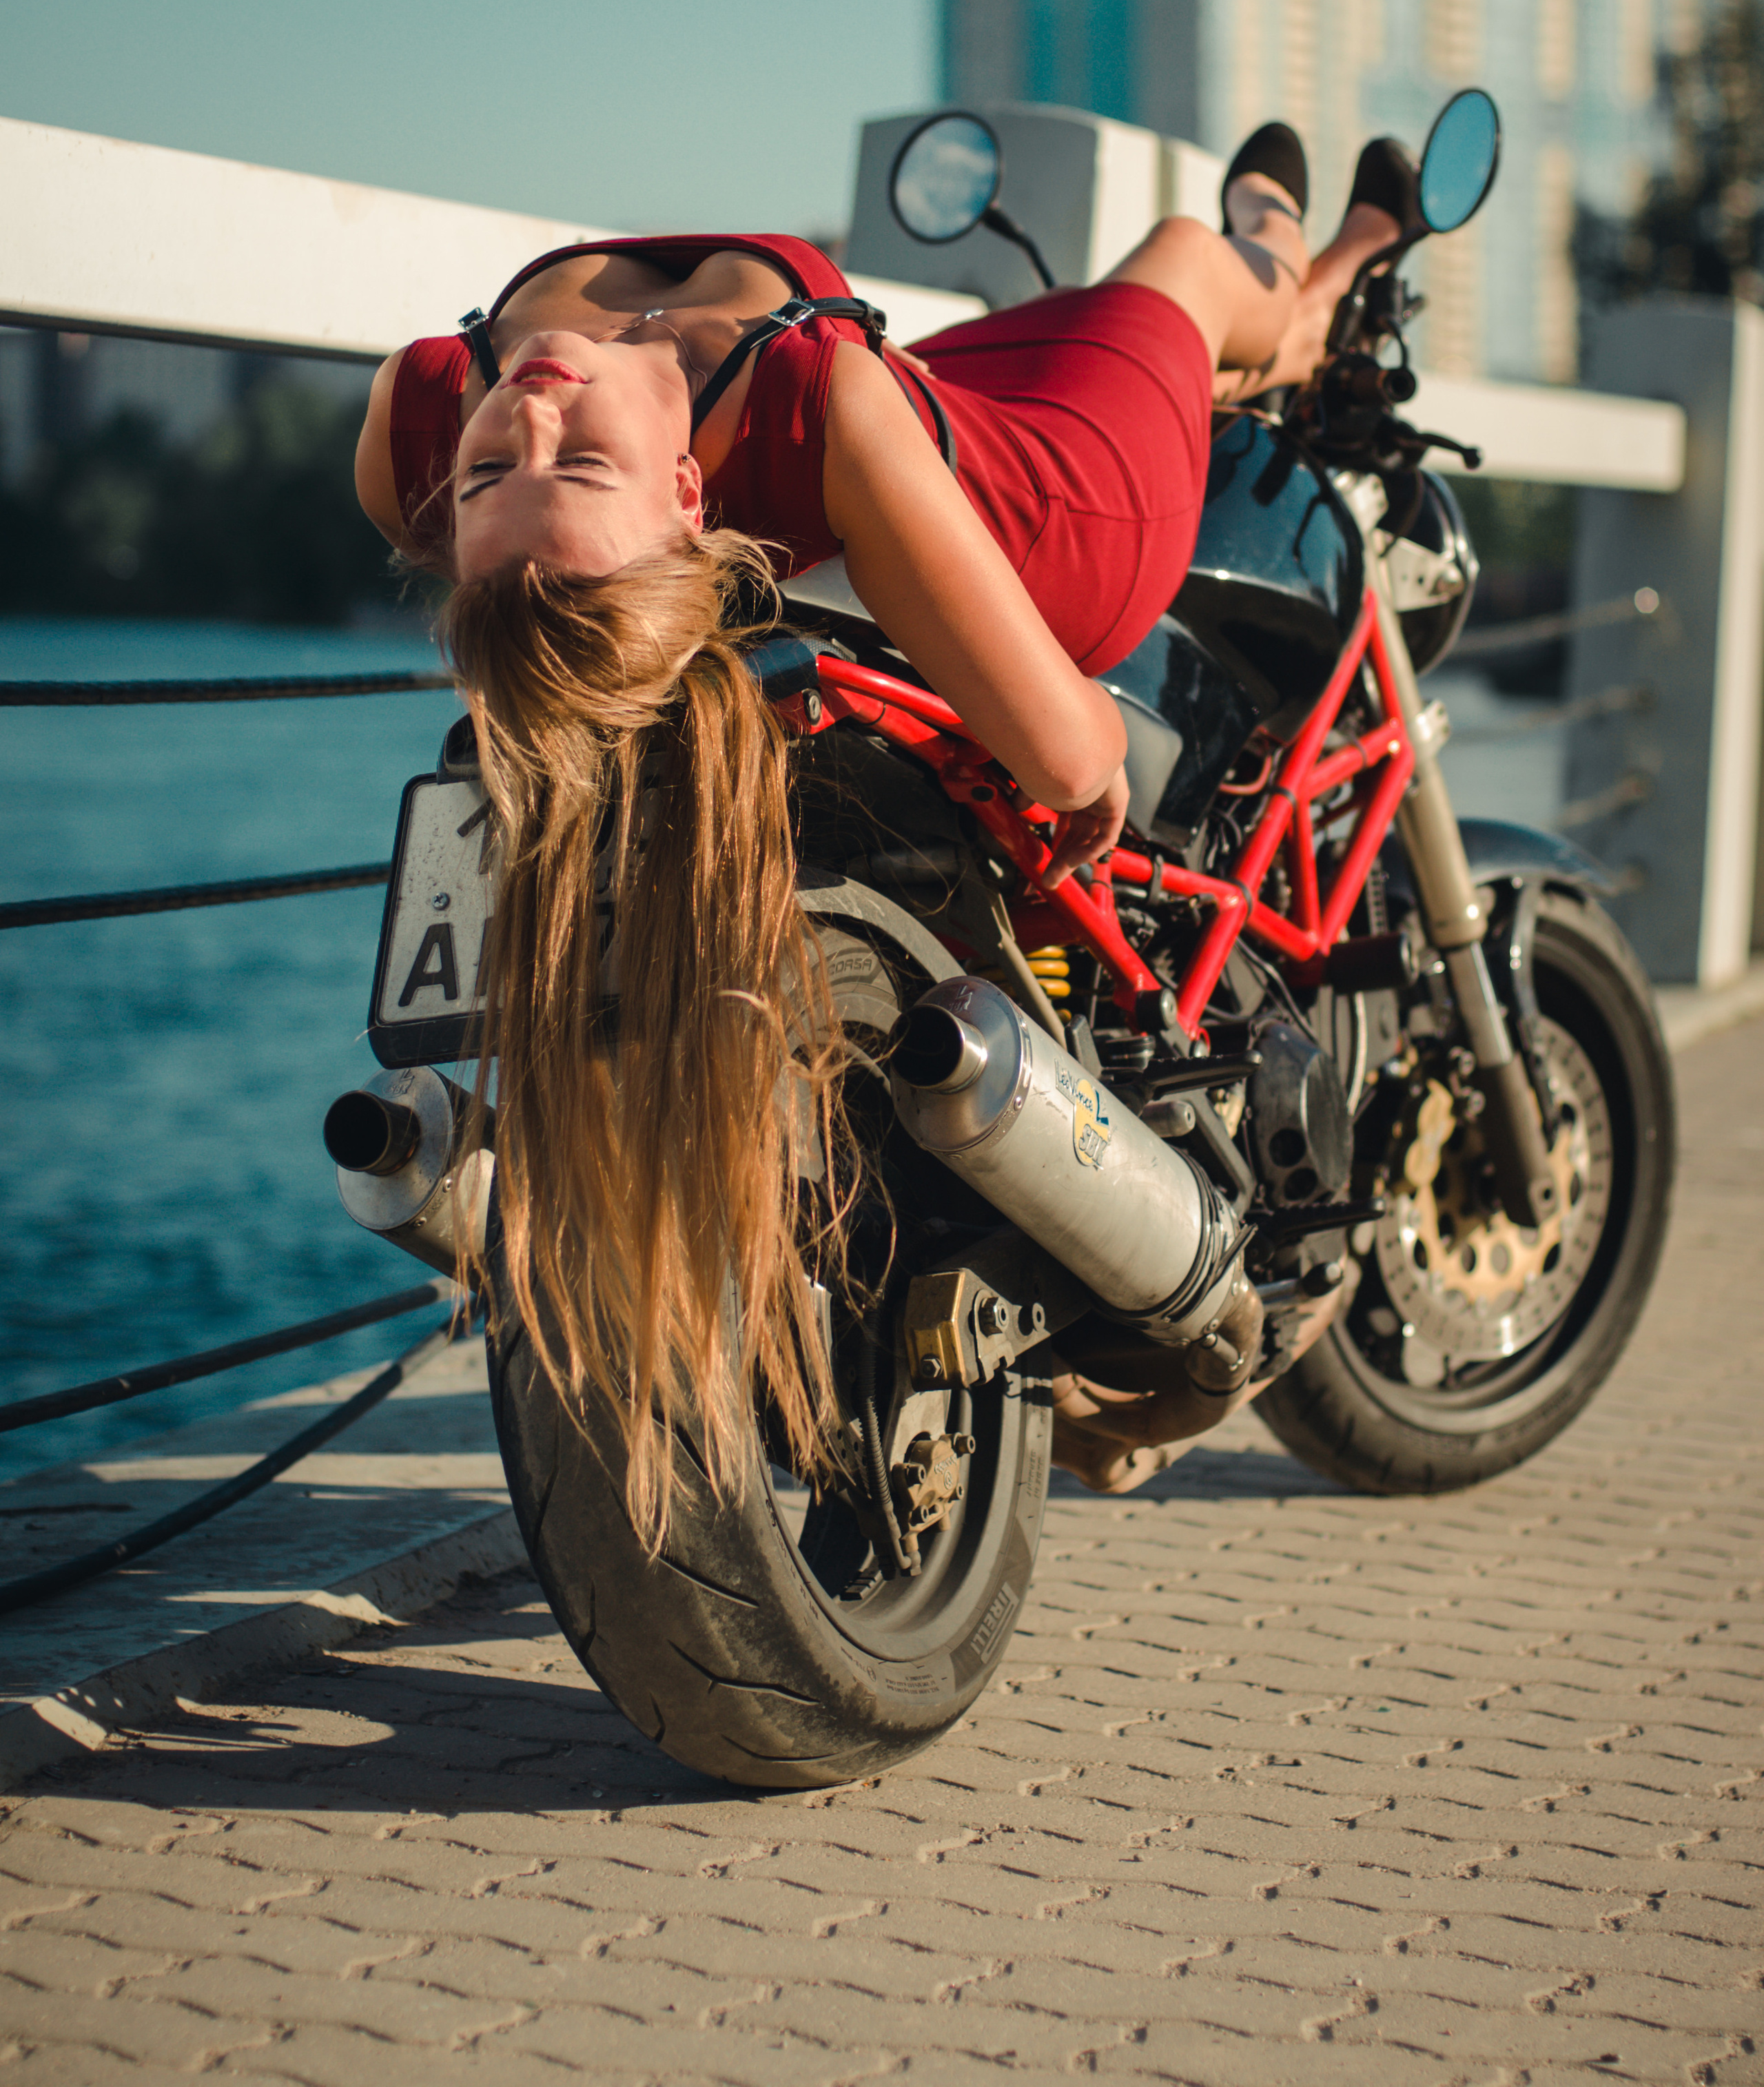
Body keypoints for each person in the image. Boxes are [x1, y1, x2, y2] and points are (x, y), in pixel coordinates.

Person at [353, 127, 1415, 1529]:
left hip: (923, 397)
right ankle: (1311, 257)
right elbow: (1076, 759)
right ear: (683, 500)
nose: (530, 416)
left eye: (497, 479)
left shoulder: (427, 410)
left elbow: (521, 569)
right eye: (580, 463)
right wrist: (1074, 765)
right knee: (1181, 265)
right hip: (1049, 508)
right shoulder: (801, 406)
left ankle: (1290, 268)